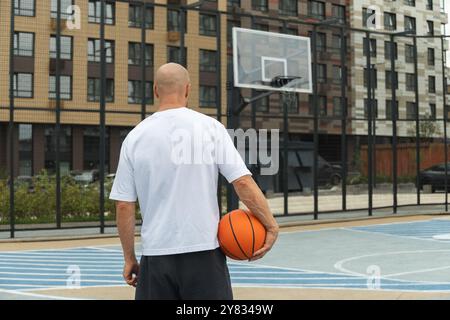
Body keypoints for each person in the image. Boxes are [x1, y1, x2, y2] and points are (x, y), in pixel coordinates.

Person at [109, 63, 279, 300]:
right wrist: (270, 224)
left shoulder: (135, 137)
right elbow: (242, 183)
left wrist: (130, 258)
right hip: (204, 253)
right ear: (188, 90)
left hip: (156, 256)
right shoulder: (210, 128)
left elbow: (124, 205)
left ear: (155, 91)